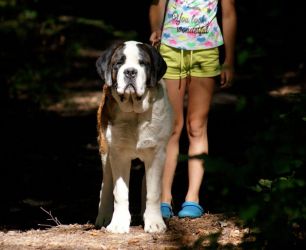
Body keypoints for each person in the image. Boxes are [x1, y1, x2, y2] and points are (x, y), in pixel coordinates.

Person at [149, 0, 237, 219]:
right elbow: (157, 4)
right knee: (171, 126)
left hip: (206, 52)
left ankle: (192, 198)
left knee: (196, 126)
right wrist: (156, 29)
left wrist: (229, 60)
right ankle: (163, 199)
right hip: (170, 52)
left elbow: (228, 13)